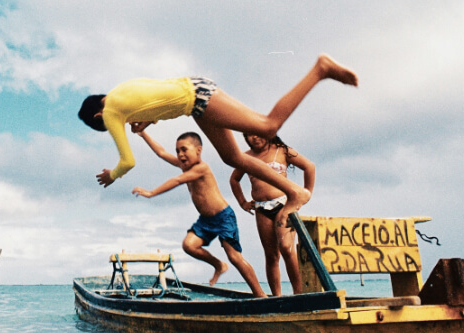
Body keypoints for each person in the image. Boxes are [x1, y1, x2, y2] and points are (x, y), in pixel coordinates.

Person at [78, 54, 356, 226]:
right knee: (232, 158)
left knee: (268, 126)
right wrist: (152, 119)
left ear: (99, 116)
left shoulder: (111, 113)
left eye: (105, 125)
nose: (118, 126)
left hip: (197, 97)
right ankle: (294, 192)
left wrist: (113, 175)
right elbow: (159, 94)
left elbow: (128, 161)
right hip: (193, 97)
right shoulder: (118, 91)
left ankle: (320, 69)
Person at [131, 130, 266, 296]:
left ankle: (260, 295)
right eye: (177, 151)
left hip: (223, 217)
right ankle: (218, 265)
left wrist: (151, 193)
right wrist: (143, 133)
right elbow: (161, 152)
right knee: (189, 245)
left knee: (235, 257)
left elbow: (178, 180)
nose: (180, 155)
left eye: (184, 149)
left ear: (198, 151)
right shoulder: (184, 165)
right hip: (206, 220)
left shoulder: (202, 168)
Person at [230, 134, 314, 296]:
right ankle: (277, 297)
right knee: (271, 255)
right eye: (249, 136)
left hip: (284, 204)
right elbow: (234, 179)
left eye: (257, 133)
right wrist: (243, 202)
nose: (254, 138)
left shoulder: (283, 151)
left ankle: (299, 293)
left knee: (286, 248)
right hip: (261, 208)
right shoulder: (245, 157)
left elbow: (309, 166)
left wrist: (306, 193)